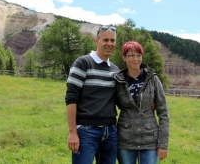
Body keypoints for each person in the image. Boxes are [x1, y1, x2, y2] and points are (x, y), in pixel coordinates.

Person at [65, 25, 119, 164]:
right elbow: (71, 97)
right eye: (105, 40)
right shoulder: (83, 63)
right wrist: (72, 132)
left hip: (111, 131)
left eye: (112, 41)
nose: (109, 44)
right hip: (87, 132)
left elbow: (121, 99)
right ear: (96, 41)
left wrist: (149, 102)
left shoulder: (115, 70)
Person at [114, 41, 169, 164]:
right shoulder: (118, 81)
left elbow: (163, 113)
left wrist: (163, 144)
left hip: (150, 140)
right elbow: (111, 105)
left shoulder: (153, 79)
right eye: (131, 55)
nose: (135, 59)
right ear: (124, 57)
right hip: (125, 140)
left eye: (138, 55)